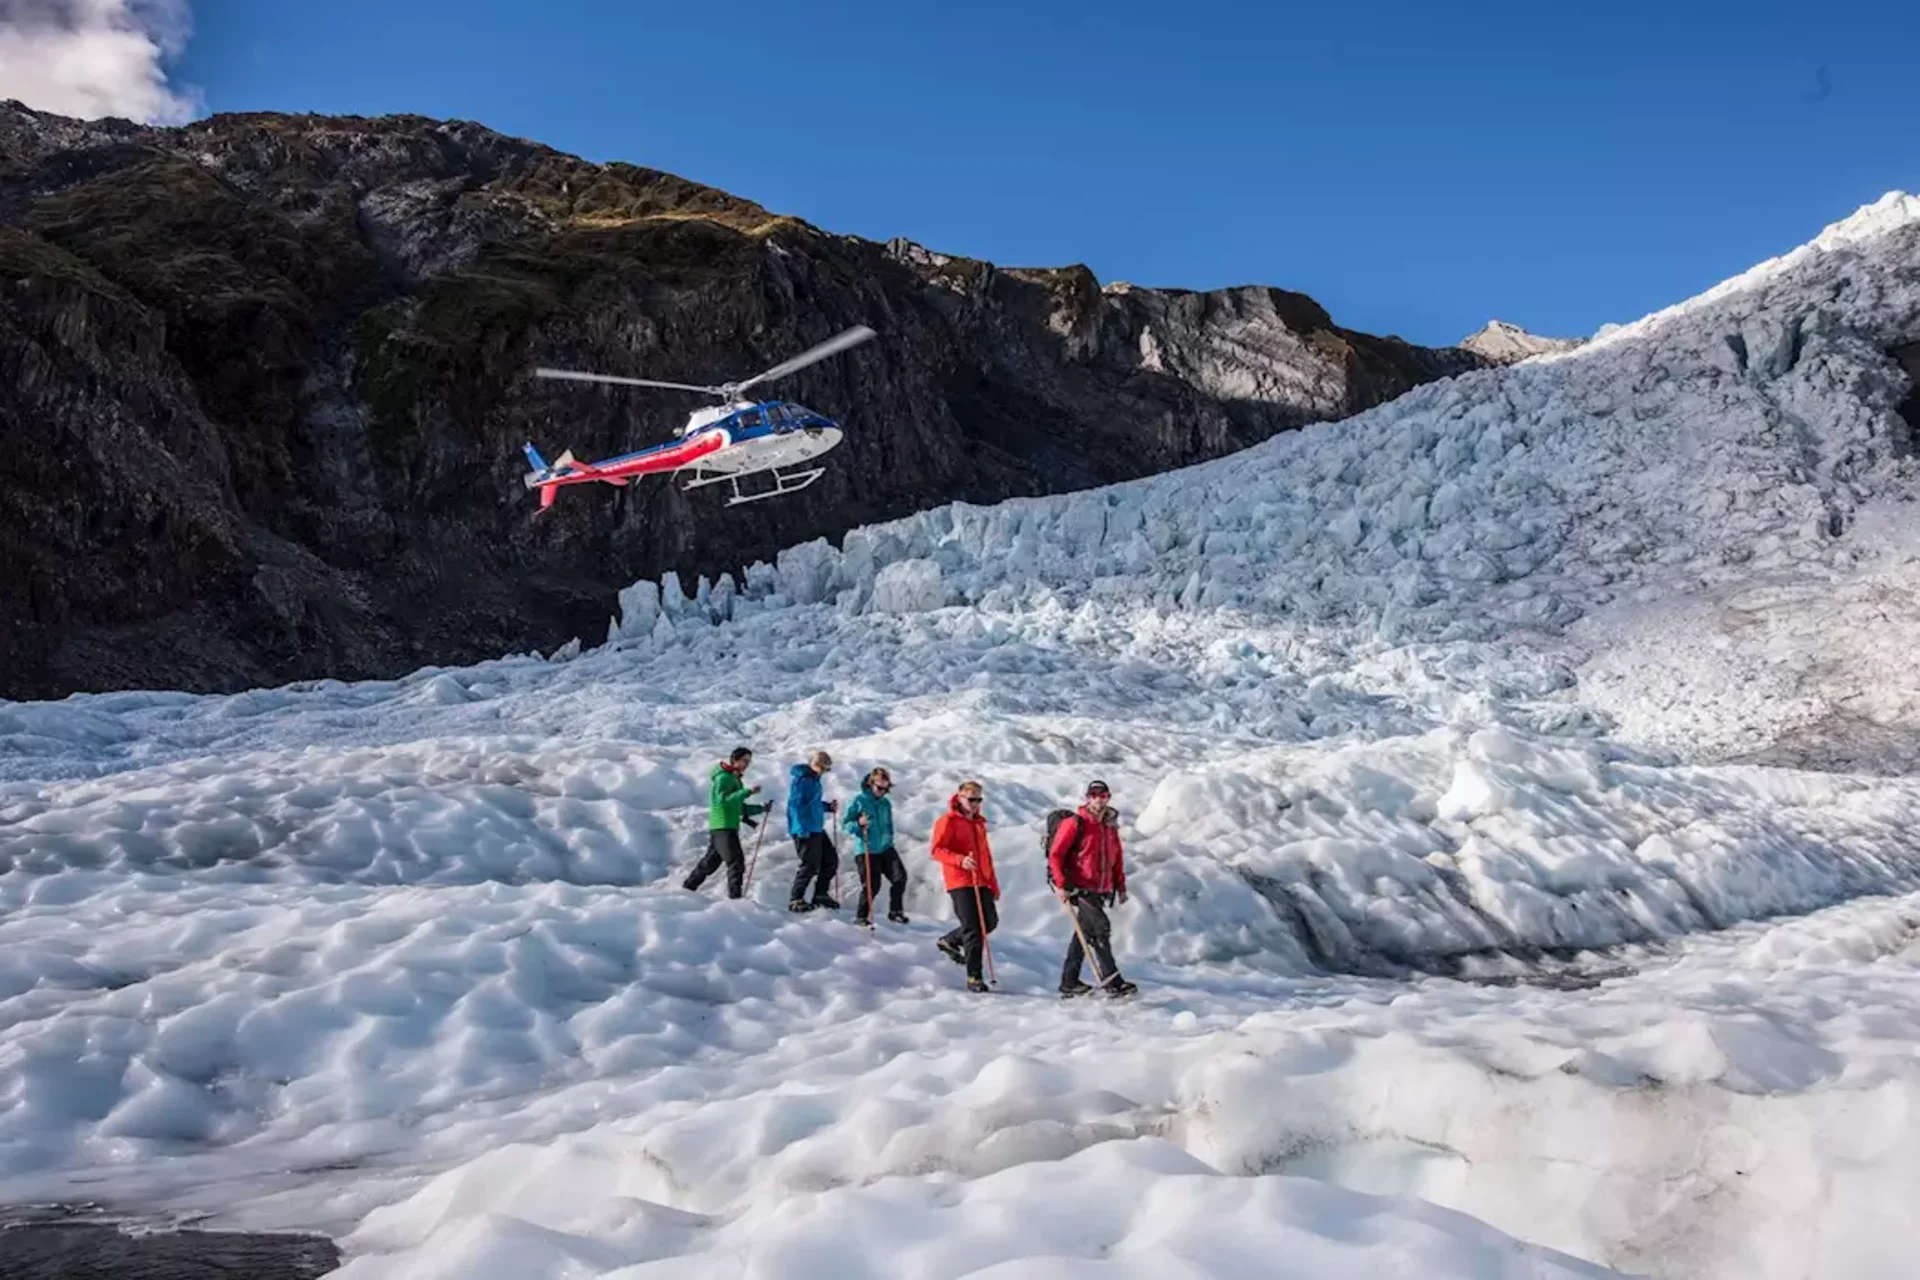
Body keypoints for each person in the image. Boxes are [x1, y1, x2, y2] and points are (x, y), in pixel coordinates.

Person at [1048, 780, 1138, 997]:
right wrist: (1061, 885)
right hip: (1079, 887)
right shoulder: (1075, 823)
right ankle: (1112, 981)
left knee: (1084, 934)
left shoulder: (1109, 826)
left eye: (1103, 795)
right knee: (1101, 929)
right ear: (1087, 797)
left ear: (1108, 798)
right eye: (1094, 795)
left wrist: (1121, 886)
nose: (1098, 799)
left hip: (1101, 888)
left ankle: (1069, 982)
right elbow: (1056, 854)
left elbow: (1116, 859)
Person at [930, 780, 999, 992]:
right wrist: (960, 860)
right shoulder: (948, 821)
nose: (975, 804)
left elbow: (985, 855)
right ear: (960, 797)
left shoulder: (979, 823)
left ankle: (949, 940)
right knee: (973, 928)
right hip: (960, 880)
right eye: (971, 799)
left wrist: (992, 883)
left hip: (981, 879)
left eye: (979, 800)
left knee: (990, 921)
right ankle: (974, 978)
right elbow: (937, 850)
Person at [684, 746, 766, 899]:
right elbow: (723, 801)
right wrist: (747, 792)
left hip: (723, 826)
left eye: (749, 761)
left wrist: (761, 809)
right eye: (744, 760)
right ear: (734, 759)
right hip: (724, 826)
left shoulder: (733, 779)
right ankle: (735, 900)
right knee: (736, 863)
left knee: (710, 864)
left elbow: (739, 808)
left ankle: (687, 889)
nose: (747, 764)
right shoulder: (724, 778)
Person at [844, 766, 909, 925]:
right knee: (872, 885)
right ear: (871, 783)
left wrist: (889, 838)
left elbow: (888, 824)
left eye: (885, 789)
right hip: (867, 848)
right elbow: (845, 824)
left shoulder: (885, 803)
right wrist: (859, 824)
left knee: (900, 877)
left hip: (886, 847)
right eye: (879, 788)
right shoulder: (859, 801)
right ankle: (861, 916)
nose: (882, 791)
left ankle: (895, 911)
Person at [786, 750, 840, 911]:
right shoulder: (803, 781)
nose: (822, 771)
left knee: (830, 860)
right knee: (809, 864)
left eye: (825, 768)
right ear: (813, 764)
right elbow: (795, 805)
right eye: (820, 766)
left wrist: (827, 807)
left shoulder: (814, 781)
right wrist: (801, 828)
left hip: (815, 827)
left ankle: (820, 895)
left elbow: (812, 804)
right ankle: (796, 899)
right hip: (805, 829)